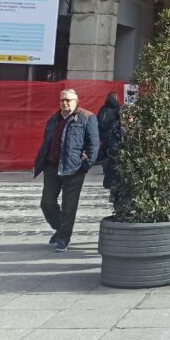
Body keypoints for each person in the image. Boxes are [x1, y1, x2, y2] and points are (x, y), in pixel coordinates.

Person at [33, 89, 100, 252]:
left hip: (74, 169)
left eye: (68, 100)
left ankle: (63, 238)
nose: (64, 103)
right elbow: (47, 141)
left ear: (76, 101)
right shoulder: (53, 119)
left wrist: (86, 165)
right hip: (52, 167)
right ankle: (60, 228)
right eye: (62, 100)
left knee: (69, 206)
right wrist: (41, 161)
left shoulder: (87, 117)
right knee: (47, 203)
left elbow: (94, 144)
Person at [96, 92, 123, 199]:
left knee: (106, 153)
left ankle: (107, 175)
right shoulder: (118, 108)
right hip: (113, 135)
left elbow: (98, 121)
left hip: (103, 136)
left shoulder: (103, 108)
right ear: (115, 97)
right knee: (112, 155)